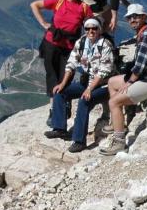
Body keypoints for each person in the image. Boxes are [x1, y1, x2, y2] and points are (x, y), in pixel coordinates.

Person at [101, 4, 147, 156]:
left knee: (114, 102)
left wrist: (129, 82)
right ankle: (118, 122)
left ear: (144, 17)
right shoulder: (144, 32)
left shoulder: (146, 35)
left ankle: (119, 142)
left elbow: (140, 65)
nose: (132, 20)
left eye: (136, 16)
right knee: (112, 82)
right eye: (130, 17)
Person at [44, 17, 116, 153]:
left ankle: (79, 141)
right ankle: (59, 128)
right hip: (86, 81)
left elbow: (104, 72)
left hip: (104, 85)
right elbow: (71, 64)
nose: (90, 31)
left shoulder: (105, 45)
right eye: (88, 28)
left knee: (84, 100)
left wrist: (89, 89)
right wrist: (63, 84)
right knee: (60, 93)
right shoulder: (81, 42)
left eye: (94, 28)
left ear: (99, 30)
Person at [29, 0, 94, 99]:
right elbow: (34, 5)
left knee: (66, 75)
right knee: (52, 75)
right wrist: (43, 23)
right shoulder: (59, 1)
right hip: (51, 42)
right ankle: (54, 105)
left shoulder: (84, 7)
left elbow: (91, 24)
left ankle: (63, 100)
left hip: (69, 46)